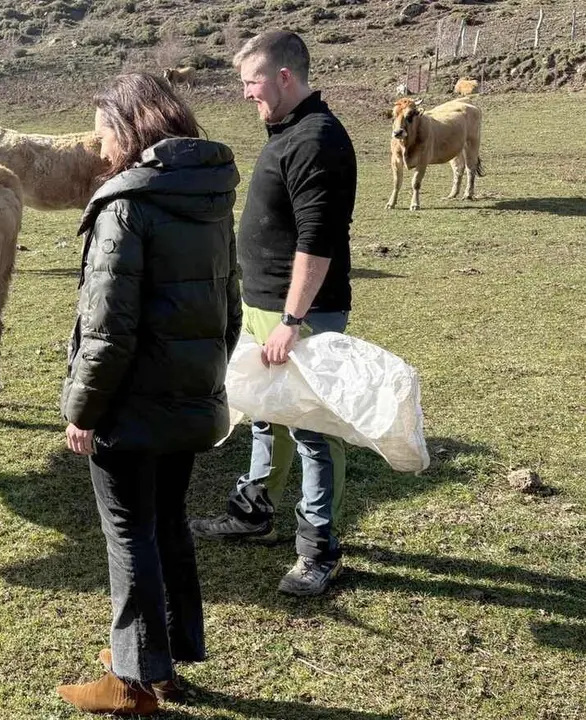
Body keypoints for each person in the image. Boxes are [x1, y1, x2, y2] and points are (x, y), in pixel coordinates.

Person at [56, 72, 241, 715]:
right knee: (167, 523)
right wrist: (201, 381)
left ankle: (133, 681)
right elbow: (230, 308)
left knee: (128, 532)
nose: (97, 144)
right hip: (191, 400)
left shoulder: (125, 205)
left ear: (129, 128)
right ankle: (166, 656)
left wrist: (83, 410)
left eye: (102, 129)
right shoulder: (211, 198)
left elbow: (106, 332)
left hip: (130, 408)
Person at [188, 30, 358, 597]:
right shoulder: (288, 131)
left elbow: (318, 238)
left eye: (251, 82)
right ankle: (253, 511)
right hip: (265, 305)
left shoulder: (317, 139)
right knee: (264, 412)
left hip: (300, 314)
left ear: (285, 76)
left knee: (313, 430)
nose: (245, 94)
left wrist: (291, 320)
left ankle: (320, 552)